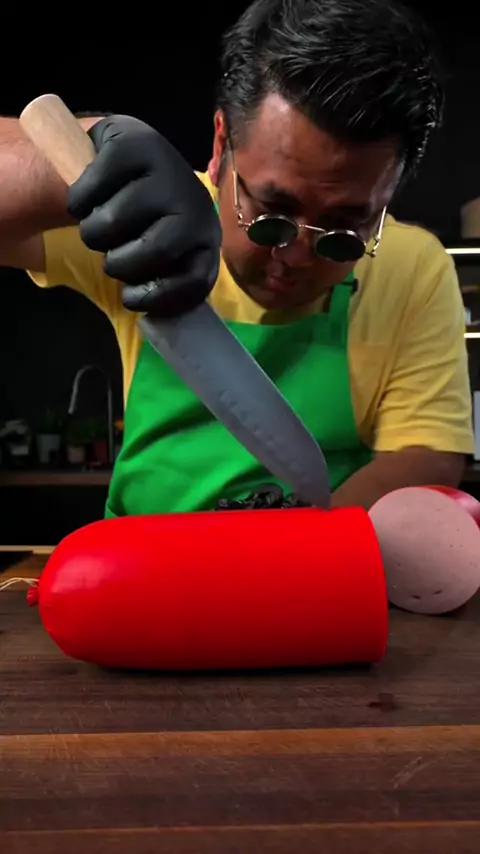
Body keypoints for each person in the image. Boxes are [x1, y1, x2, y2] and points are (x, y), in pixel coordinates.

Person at [0, 0, 474, 515]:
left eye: (342, 232)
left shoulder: (413, 266)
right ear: (222, 142)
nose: (296, 255)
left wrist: (294, 549)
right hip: (139, 557)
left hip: (317, 551)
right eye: (272, 214)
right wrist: (82, 160)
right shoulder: (144, 220)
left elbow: (426, 455)